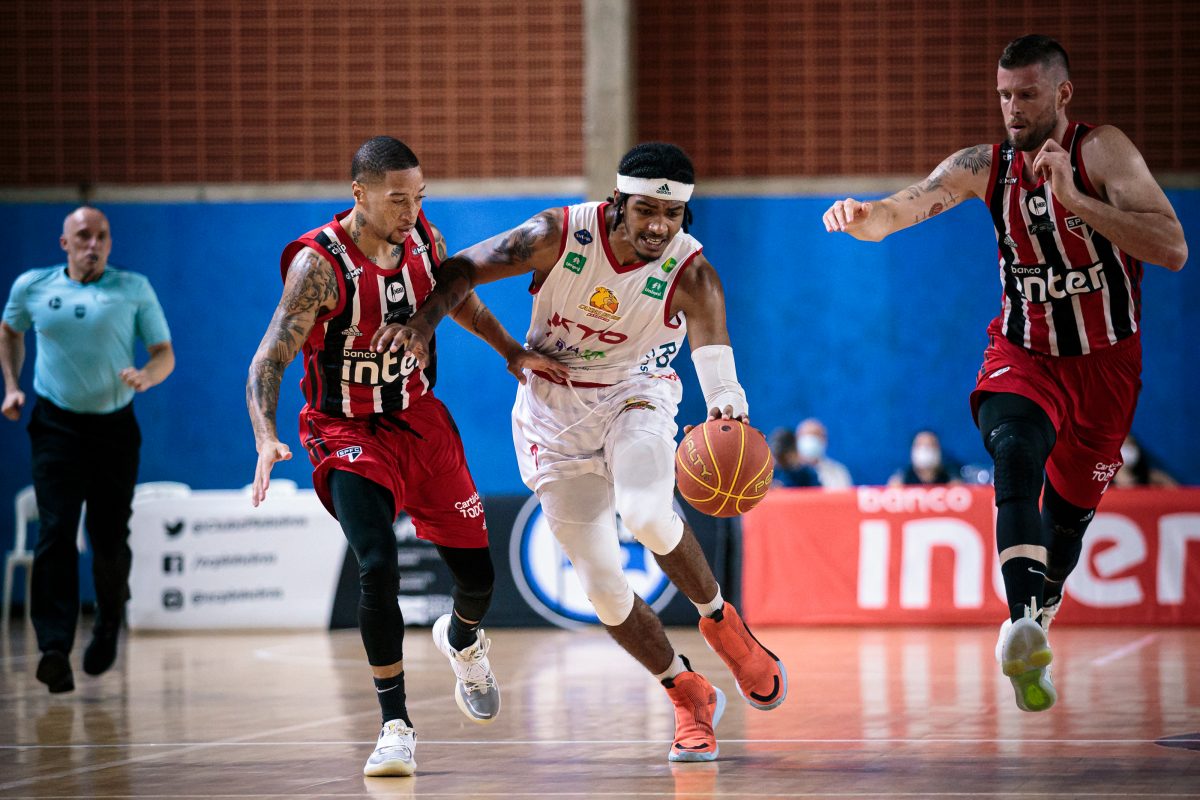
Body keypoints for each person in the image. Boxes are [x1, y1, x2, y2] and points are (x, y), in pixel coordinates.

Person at [376, 141, 788, 762]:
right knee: (602, 587)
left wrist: (727, 403)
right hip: (552, 410)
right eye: (646, 210)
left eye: (672, 214)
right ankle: (687, 693)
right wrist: (429, 324)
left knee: (646, 513)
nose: (658, 226)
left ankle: (721, 621)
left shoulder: (692, 270)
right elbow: (458, 270)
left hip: (636, 394)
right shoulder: (556, 234)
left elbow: (715, 355)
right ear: (617, 202)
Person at [823, 34, 1187, 712]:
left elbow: (1171, 247)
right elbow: (897, 210)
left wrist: (1074, 198)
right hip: (1023, 352)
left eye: (1026, 95)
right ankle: (1020, 621)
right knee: (1013, 450)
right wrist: (860, 216)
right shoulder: (982, 166)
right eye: (1003, 95)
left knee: (1067, 527)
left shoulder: (1102, 151)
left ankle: (1037, 614)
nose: (1012, 108)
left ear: (1062, 94)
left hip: (1106, 367)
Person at [245, 136, 565, 777]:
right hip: (345, 429)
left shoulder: (425, 240)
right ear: (358, 194)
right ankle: (395, 725)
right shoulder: (319, 265)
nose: (410, 210)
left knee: (477, 580)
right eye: (397, 199)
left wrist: (511, 351)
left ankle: (463, 640)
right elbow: (271, 354)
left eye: (418, 197)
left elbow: (461, 301)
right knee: (378, 563)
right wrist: (264, 434)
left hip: (420, 423)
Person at [1, 206, 175, 694]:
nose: (93, 244)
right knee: (55, 530)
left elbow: (164, 353)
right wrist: (11, 386)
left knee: (109, 538)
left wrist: (147, 376)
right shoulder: (33, 287)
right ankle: (54, 649)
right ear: (65, 244)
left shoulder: (133, 288)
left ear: (109, 242)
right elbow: (10, 331)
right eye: (83, 236)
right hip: (55, 426)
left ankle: (108, 621)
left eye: (102, 236)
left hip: (114, 428)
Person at [795, 417, 853, 488]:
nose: (810, 439)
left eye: (815, 435)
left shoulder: (838, 472)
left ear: (824, 440)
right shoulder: (787, 474)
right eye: (806, 435)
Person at [888, 429, 959, 486]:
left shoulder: (951, 479)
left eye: (931, 445)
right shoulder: (901, 480)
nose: (925, 449)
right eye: (920, 445)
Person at [1112, 433, 1179, 488]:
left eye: (1130, 444)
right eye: (1122, 445)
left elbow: (1176, 493)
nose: (1127, 450)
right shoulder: (1106, 481)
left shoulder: (1153, 478)